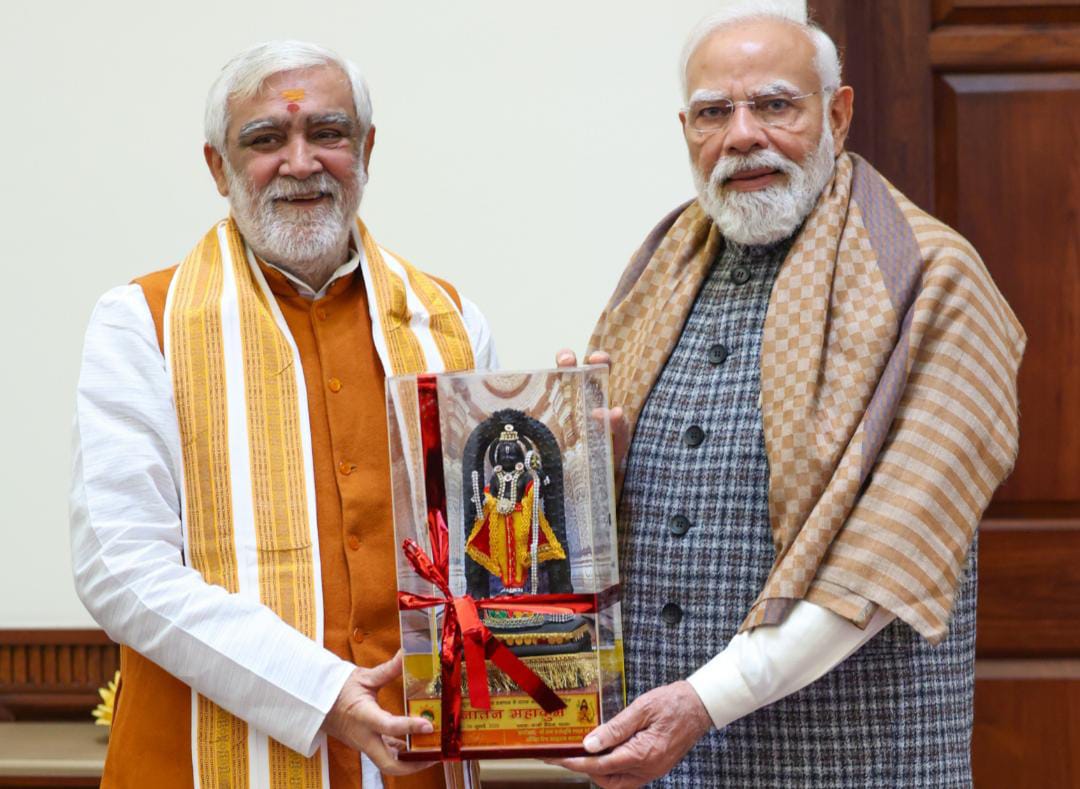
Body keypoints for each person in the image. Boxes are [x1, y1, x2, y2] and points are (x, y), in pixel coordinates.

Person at [553, 4, 1025, 787]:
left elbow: (887, 557)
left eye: (775, 105)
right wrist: (591, 473)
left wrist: (704, 701)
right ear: (686, 131)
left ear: (837, 114)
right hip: (659, 761)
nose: (742, 136)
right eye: (714, 113)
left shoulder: (935, 280)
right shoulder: (659, 269)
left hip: (850, 761)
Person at [70, 40, 496, 789]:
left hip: (415, 761)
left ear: (366, 151)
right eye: (266, 139)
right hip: (197, 765)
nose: (301, 163)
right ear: (218, 167)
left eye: (327, 133)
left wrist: (582, 463)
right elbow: (119, 566)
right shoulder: (142, 322)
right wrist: (318, 692)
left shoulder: (450, 323)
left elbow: (489, 554)